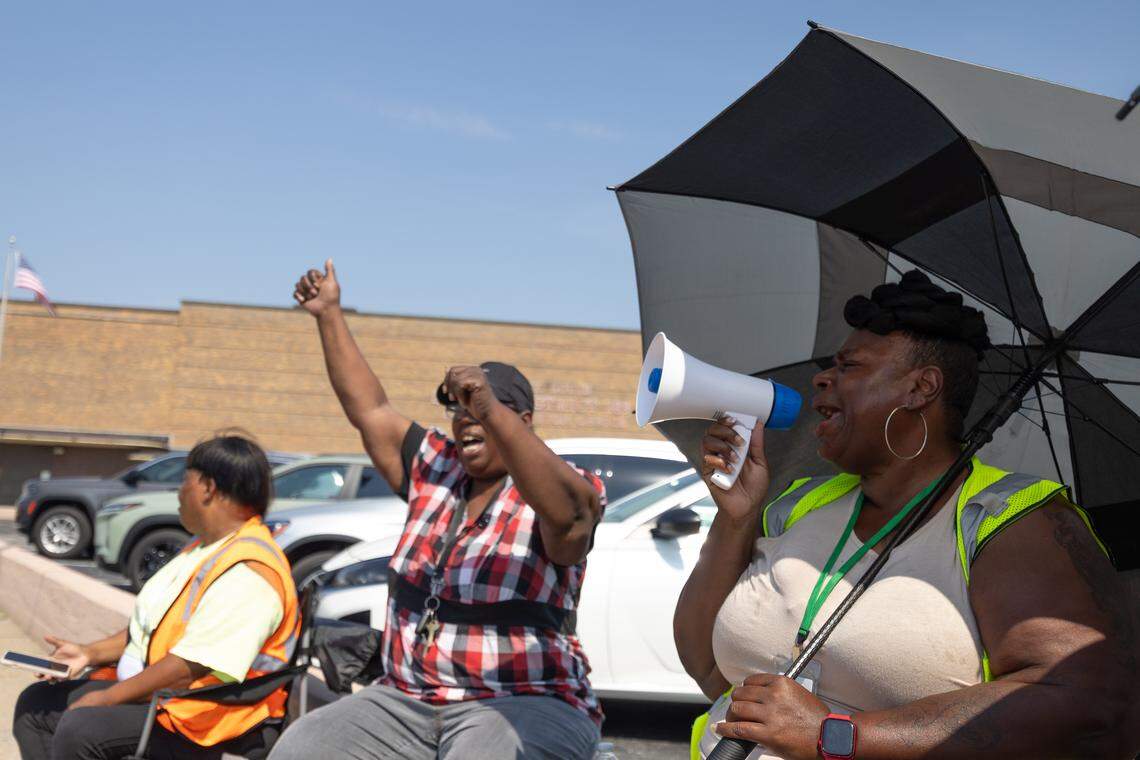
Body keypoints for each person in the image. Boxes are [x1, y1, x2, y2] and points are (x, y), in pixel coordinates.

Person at [678, 271, 1140, 759]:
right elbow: (707, 668)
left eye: (850, 366)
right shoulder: (799, 504)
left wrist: (835, 734)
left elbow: (1090, 704)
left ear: (921, 389)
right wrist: (735, 519)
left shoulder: (1013, 521)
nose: (822, 378)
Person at [270, 260, 606, 760]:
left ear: (524, 421)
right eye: (458, 410)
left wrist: (491, 405)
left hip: (525, 701)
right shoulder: (437, 468)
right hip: (404, 699)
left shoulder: (557, 485)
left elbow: (574, 518)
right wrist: (329, 314)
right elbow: (371, 409)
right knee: (301, 749)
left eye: (481, 409)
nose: (467, 419)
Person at [13, 435, 300, 760]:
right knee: (35, 706)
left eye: (184, 481)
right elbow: (154, 629)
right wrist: (89, 653)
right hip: (167, 695)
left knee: (81, 727)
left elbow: (187, 668)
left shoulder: (250, 571)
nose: (178, 492)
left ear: (207, 487)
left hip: (206, 714)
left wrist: (107, 699)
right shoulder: (205, 548)